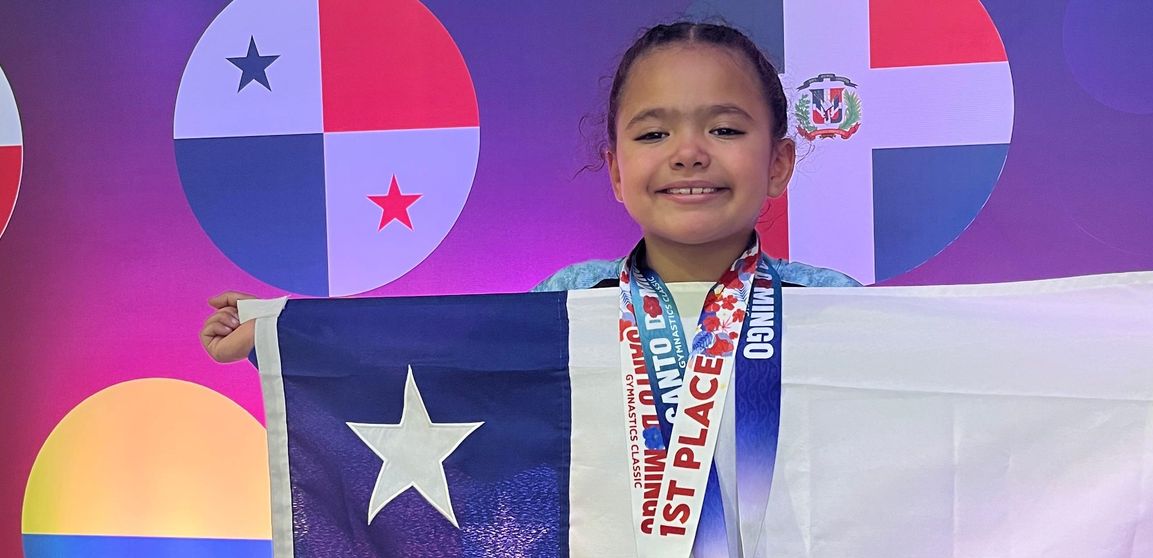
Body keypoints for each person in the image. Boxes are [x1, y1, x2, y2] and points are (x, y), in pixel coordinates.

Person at [199, 21, 857, 363]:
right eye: (653, 134)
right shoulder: (566, 300)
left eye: (723, 127)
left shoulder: (832, 307)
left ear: (778, 163)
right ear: (617, 171)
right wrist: (278, 338)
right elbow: (437, 370)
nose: (689, 152)